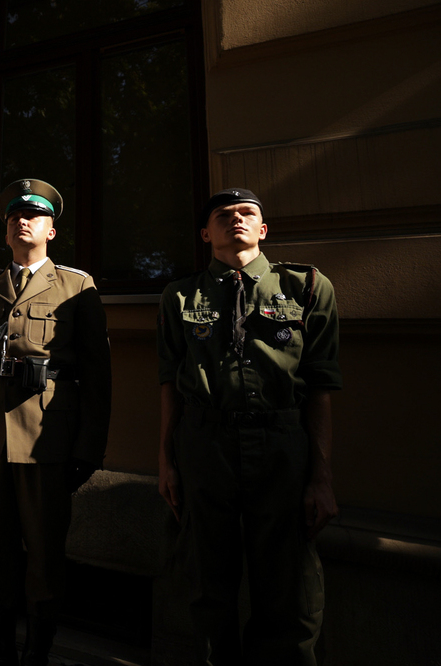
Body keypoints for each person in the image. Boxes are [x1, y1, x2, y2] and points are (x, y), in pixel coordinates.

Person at [157, 188, 341, 666]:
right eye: (223, 215)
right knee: (204, 580)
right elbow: (169, 383)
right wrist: (166, 461)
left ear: (263, 230)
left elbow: (320, 385)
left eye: (247, 213)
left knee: (289, 586)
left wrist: (321, 477)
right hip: (205, 443)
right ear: (206, 234)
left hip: (281, 443)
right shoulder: (180, 296)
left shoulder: (307, 288)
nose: (235, 219)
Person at [0, 179, 112, 666]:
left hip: (46, 440)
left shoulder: (76, 287)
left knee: (43, 555)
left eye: (35, 216)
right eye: (15, 216)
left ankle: (37, 651)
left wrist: (88, 448)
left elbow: (97, 377)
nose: (24, 221)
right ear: (5, 232)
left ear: (51, 231)